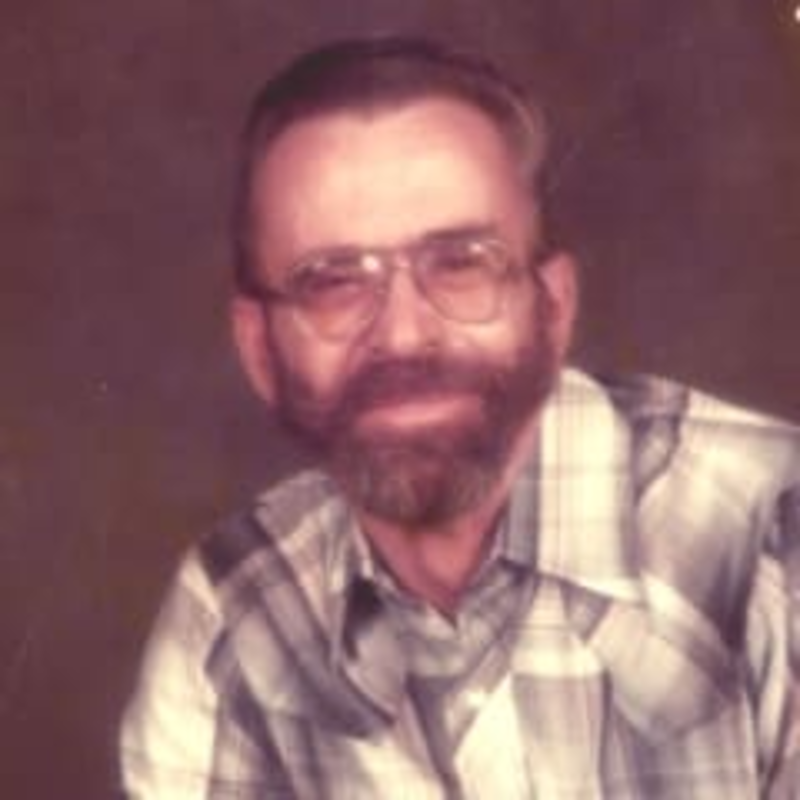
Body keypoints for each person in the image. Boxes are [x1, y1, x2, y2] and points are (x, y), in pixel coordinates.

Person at [120, 35, 800, 798]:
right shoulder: (236, 613)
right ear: (257, 346)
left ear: (554, 304)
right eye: (333, 282)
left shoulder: (775, 541)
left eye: (462, 263)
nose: (404, 333)